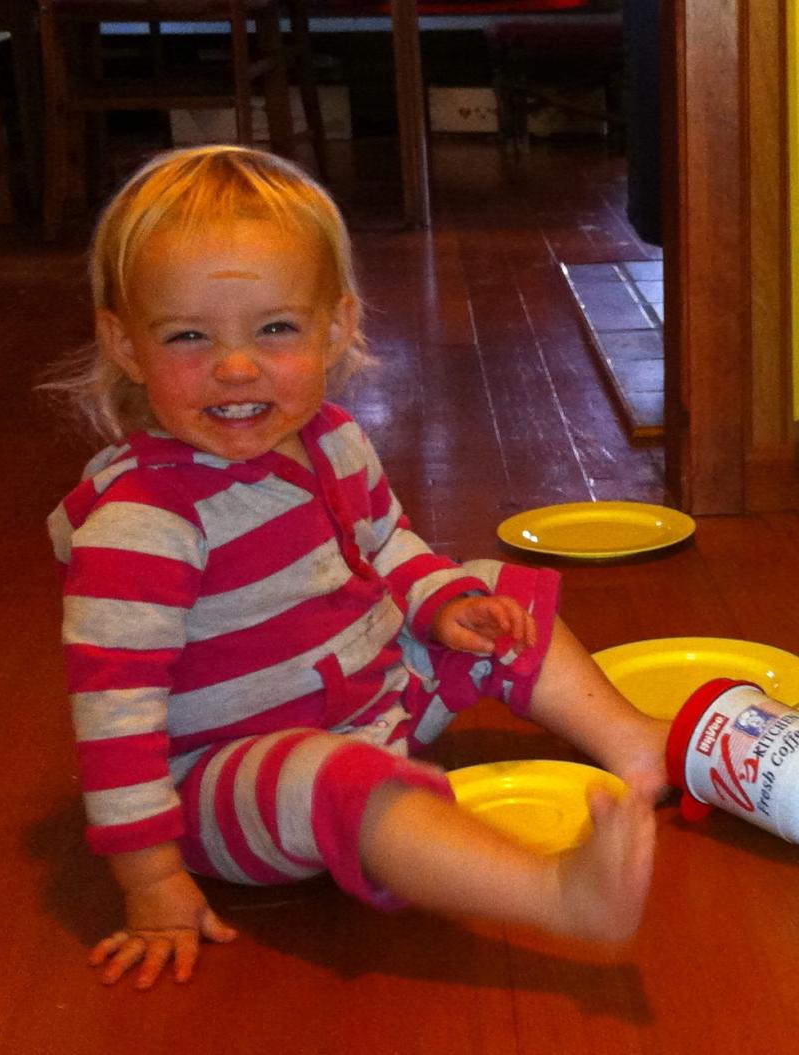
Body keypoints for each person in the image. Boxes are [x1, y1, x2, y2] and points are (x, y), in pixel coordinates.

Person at [46, 144, 667, 992]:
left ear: (334, 326)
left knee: (491, 586)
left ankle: (632, 744)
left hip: (374, 695)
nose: (236, 366)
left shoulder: (332, 438)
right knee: (338, 779)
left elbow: (387, 543)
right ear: (125, 343)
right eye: (188, 335)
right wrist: (150, 878)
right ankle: (557, 893)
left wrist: (440, 602)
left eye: (275, 328)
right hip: (236, 776)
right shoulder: (142, 524)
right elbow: (113, 720)